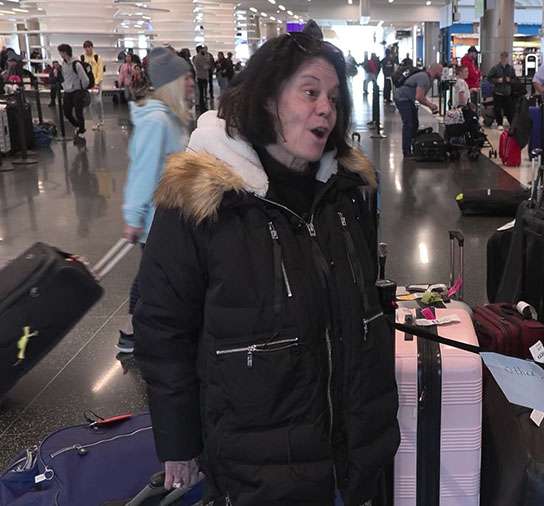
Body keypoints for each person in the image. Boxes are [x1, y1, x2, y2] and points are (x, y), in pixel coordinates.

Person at [133, 23, 399, 505]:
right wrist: (178, 440)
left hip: (354, 453)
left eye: (333, 98)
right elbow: (162, 324)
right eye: (310, 92)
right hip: (258, 465)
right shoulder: (202, 199)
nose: (325, 108)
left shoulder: (344, 194)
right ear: (266, 98)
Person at [118, 47, 194, 353]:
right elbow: (143, 171)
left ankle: (140, 331)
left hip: (171, 216)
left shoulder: (173, 118)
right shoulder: (157, 121)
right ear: (172, 82)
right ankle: (133, 335)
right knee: (151, 280)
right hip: (155, 220)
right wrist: (133, 218)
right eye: (186, 77)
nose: (192, 82)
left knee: (155, 277)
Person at [395, 63, 442, 158]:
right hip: (402, 98)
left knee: (414, 123)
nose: (441, 73)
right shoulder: (424, 78)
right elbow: (419, 97)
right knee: (408, 124)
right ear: (435, 70)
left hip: (408, 99)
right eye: (440, 71)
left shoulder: (428, 79)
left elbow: (420, 96)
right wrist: (431, 105)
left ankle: (414, 145)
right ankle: (406, 151)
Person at [58, 43, 90, 136]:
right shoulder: (63, 63)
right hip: (67, 91)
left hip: (77, 91)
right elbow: (65, 77)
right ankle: (78, 126)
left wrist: (81, 89)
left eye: (60, 52)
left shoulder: (77, 64)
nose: (60, 54)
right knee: (67, 112)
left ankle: (82, 130)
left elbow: (85, 80)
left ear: (65, 52)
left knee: (78, 112)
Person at [487, 51, 517, 128]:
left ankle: (511, 124)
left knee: (509, 109)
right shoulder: (495, 68)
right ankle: (499, 123)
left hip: (507, 92)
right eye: (503, 57)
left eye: (506, 58)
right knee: (498, 109)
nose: (504, 59)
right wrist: (497, 80)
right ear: (500, 58)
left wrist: (510, 80)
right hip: (498, 92)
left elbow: (515, 79)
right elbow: (489, 78)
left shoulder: (510, 69)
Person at [83, 41, 105, 130]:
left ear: (92, 47)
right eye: (86, 47)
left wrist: (96, 83)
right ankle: (95, 122)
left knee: (98, 102)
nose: (88, 49)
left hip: (97, 84)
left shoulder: (97, 57)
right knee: (92, 103)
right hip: (88, 84)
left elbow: (100, 71)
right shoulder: (82, 58)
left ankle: (101, 119)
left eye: (89, 47)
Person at [191, 45, 210, 110]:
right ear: (199, 50)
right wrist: (207, 64)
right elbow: (205, 66)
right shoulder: (199, 57)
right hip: (201, 76)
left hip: (202, 76)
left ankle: (202, 105)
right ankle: (202, 106)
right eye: (202, 49)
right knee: (201, 93)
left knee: (202, 92)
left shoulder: (199, 57)